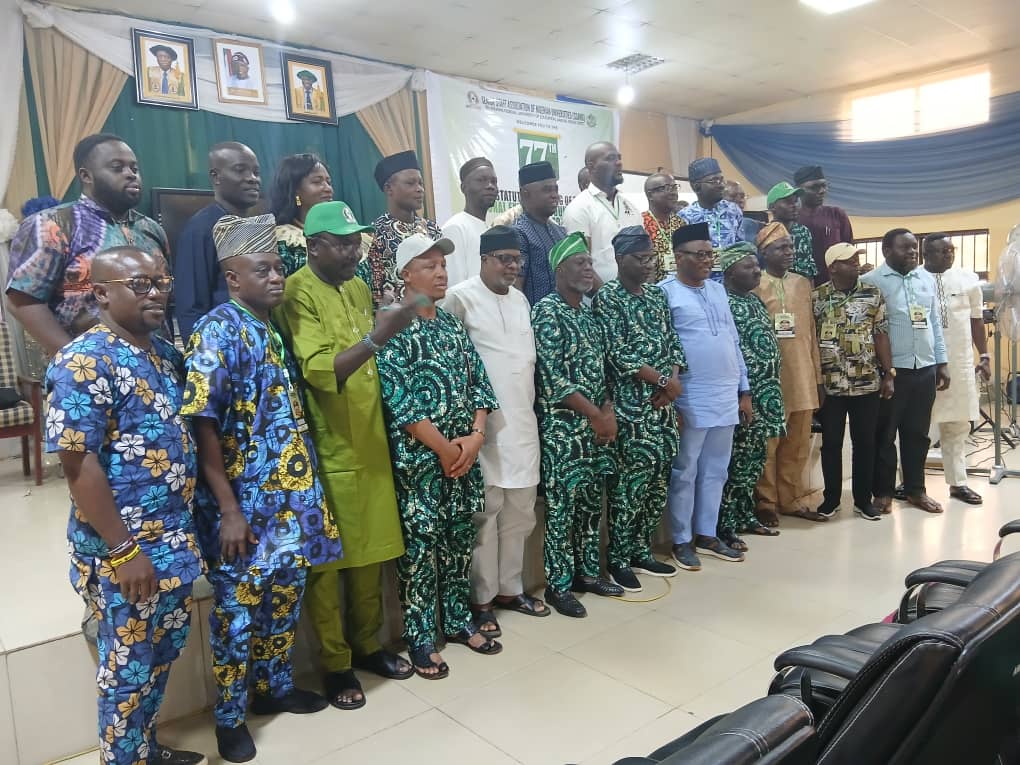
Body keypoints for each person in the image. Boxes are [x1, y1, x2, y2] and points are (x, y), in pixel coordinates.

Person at [182, 214, 343, 762]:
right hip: (244, 506)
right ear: (232, 277)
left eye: (278, 268)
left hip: (290, 501)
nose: (276, 278)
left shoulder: (268, 327)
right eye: (262, 269)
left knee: (284, 598)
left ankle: (274, 688)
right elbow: (202, 424)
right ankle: (229, 718)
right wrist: (228, 510)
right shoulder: (216, 330)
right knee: (237, 613)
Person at [45, 247, 205, 765]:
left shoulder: (163, 354)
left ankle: (144, 750)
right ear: (100, 293)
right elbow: (78, 465)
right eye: (139, 284)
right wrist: (123, 550)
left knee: (161, 655)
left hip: (172, 541)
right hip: (124, 552)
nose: (155, 293)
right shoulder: (83, 362)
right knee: (127, 669)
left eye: (162, 281)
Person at [275, 201, 416, 710]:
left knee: (371, 554)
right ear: (313, 247)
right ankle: (335, 666)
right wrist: (381, 334)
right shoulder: (297, 292)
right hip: (330, 445)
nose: (353, 252)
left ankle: (368, 645)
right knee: (328, 565)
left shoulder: (357, 286)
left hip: (371, 439)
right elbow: (322, 372)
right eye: (342, 243)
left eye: (356, 242)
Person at [376, 232, 502, 678]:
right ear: (405, 274)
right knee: (421, 549)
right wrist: (447, 449)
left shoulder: (450, 324)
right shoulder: (390, 325)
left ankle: (457, 619)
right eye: (428, 265)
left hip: (462, 458)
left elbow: (479, 384)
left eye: (443, 265)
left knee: (457, 543)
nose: (440, 272)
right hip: (421, 465)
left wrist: (475, 436)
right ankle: (420, 636)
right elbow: (401, 402)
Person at [441, 225, 550, 636]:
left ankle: (510, 589)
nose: (512, 266)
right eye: (504, 259)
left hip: (522, 423)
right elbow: (453, 365)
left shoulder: (521, 300)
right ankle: (481, 599)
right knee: (485, 516)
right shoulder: (461, 298)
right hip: (482, 429)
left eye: (517, 259)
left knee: (520, 513)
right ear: (484, 259)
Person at [7, 133, 168, 355]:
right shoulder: (53, 224)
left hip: (155, 361)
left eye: (134, 168)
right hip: (87, 366)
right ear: (86, 176)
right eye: (117, 168)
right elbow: (22, 302)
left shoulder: (151, 229)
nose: (130, 174)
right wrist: (74, 359)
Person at [532, 232, 622, 616]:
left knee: (589, 505)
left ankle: (587, 573)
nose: (588, 269)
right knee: (562, 509)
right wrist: (596, 415)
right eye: (579, 263)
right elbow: (553, 379)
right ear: (559, 269)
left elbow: (604, 370)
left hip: (594, 428)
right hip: (563, 429)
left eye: (590, 262)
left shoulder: (588, 313)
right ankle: (559, 585)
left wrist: (607, 410)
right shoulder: (546, 312)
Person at [593, 227, 685, 591]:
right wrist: (662, 381)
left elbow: (673, 341)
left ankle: (641, 550)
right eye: (641, 258)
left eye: (651, 258)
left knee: (658, 481)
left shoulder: (657, 296)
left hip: (663, 408)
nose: (648, 265)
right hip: (631, 408)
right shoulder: (608, 298)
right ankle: (618, 558)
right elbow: (618, 353)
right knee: (629, 486)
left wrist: (671, 383)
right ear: (620, 259)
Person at [659, 222, 749, 570]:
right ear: (678, 257)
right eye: (699, 255)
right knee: (685, 470)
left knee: (716, 469)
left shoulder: (717, 291)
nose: (707, 261)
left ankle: (707, 534)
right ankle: (681, 540)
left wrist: (744, 389)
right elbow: (665, 349)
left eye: (711, 254)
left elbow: (733, 341)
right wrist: (673, 400)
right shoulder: (665, 293)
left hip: (726, 393)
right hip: (691, 396)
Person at [861, 228, 949, 514]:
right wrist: (882, 371)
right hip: (890, 372)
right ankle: (883, 493)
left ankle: (915, 490)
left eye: (915, 247)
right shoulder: (871, 281)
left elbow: (934, 322)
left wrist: (941, 362)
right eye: (905, 248)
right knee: (885, 435)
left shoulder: (925, 279)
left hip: (924, 368)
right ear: (886, 251)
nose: (913, 252)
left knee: (918, 434)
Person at [813, 243, 892, 521]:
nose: (857, 264)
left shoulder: (873, 294)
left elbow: (881, 334)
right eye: (849, 260)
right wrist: (815, 382)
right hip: (830, 384)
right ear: (833, 267)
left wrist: (889, 373)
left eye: (857, 259)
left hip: (866, 381)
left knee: (865, 443)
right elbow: (810, 341)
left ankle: (863, 500)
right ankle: (831, 499)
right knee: (831, 443)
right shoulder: (817, 297)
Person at [752, 221, 824, 525]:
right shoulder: (755, 283)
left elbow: (812, 333)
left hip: (803, 375)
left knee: (797, 442)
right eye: (782, 247)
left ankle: (791, 498)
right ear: (765, 252)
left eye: (791, 247)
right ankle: (766, 501)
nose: (790, 252)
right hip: (770, 378)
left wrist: (818, 378)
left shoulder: (802, 283)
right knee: (769, 442)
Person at [717, 243, 785, 550]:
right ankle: (725, 524)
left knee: (755, 459)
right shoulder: (722, 302)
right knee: (736, 461)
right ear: (730, 271)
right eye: (749, 266)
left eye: (757, 265)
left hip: (767, 392)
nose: (757, 271)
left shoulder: (755, 300)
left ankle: (745, 515)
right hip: (743, 395)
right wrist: (742, 392)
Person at [923, 233, 989, 506]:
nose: (949, 254)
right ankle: (910, 483)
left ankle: (958, 483)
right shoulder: (915, 280)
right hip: (924, 364)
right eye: (942, 251)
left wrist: (984, 354)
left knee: (958, 425)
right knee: (919, 426)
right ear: (926, 254)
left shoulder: (967, 280)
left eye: (951, 250)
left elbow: (976, 320)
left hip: (960, 363)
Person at [174, 142, 261, 342]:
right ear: (216, 176)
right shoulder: (201, 229)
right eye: (240, 170)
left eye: (256, 172)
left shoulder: (254, 227)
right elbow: (191, 306)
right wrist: (202, 354)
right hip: (223, 348)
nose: (252, 178)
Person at [358, 150, 442, 306]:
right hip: (396, 317)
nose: (420, 189)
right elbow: (372, 291)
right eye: (410, 183)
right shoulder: (373, 235)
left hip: (435, 315)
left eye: (420, 183)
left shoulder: (432, 229)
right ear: (389, 189)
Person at [561, 142, 641, 287]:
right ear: (592, 167)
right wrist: (607, 297)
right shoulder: (579, 208)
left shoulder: (631, 207)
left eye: (619, 158)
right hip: (598, 298)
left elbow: (644, 255)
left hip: (634, 295)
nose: (619, 163)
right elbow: (580, 265)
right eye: (610, 158)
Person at [679, 158, 744, 280]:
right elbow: (684, 257)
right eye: (714, 181)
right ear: (697, 187)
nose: (721, 185)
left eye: (721, 179)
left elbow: (741, 246)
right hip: (701, 284)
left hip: (732, 283)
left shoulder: (733, 210)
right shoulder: (685, 217)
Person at [269, 153, 334, 277]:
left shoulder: (345, 234)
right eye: (317, 182)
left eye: (329, 182)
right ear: (295, 190)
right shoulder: (284, 241)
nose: (328, 188)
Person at [513, 161, 567, 306]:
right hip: (535, 317)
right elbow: (515, 286)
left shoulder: (561, 232)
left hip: (565, 316)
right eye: (547, 190)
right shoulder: (519, 233)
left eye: (555, 189)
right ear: (525, 194)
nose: (554, 195)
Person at [442, 157, 499, 286]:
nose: (490, 186)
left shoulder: (489, 230)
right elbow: (454, 286)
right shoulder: (455, 227)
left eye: (494, 181)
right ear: (464, 188)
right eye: (481, 180)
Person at [795, 165, 854, 285]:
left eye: (824, 185)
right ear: (799, 190)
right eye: (814, 187)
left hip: (836, 287)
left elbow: (848, 251)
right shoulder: (792, 219)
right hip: (801, 285)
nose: (822, 191)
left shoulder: (837, 214)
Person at [766, 181, 816, 281]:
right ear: (772, 207)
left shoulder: (803, 231)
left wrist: (809, 289)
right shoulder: (766, 234)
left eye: (795, 201)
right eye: (788, 202)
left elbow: (809, 267)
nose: (794, 205)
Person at [642, 172, 686, 282]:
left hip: (680, 286)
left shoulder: (681, 223)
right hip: (653, 288)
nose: (673, 193)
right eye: (666, 188)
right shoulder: (640, 223)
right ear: (650, 195)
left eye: (674, 187)